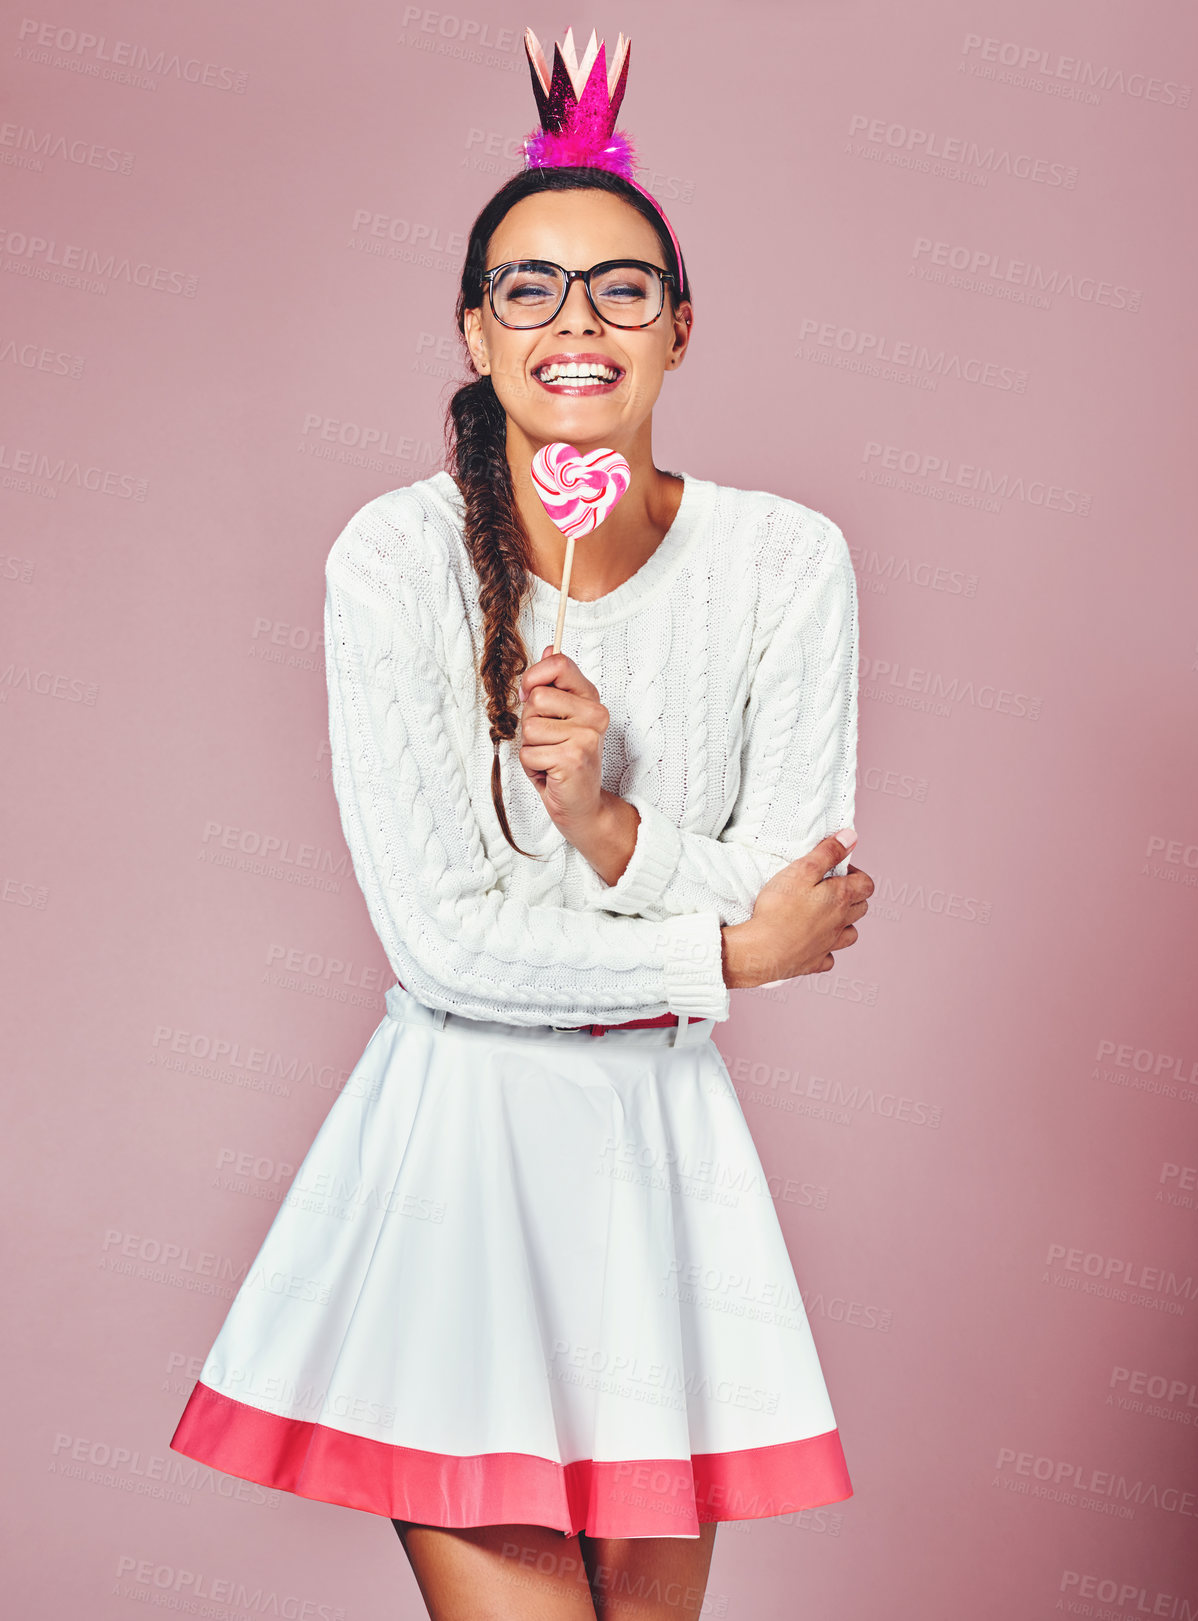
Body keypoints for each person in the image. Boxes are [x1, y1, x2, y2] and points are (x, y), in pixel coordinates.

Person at [168, 27, 874, 1621]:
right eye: (532, 288)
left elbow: (798, 891)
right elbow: (442, 940)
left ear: (683, 328)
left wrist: (611, 826)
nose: (578, 320)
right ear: (474, 331)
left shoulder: (789, 562)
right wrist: (723, 947)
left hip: (665, 1167)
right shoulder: (393, 561)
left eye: (623, 287)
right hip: (462, 1175)